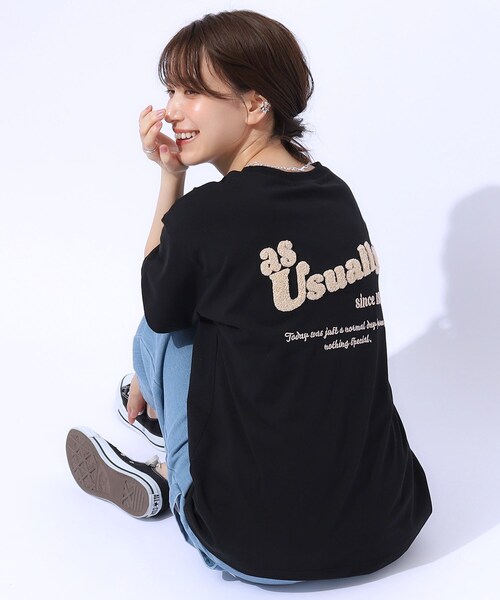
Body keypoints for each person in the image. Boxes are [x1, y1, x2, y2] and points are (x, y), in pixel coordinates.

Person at [66, 9, 432, 585]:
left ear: (256, 104)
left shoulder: (205, 215)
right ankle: (163, 415)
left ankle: (166, 473)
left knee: (163, 329)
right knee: (238, 314)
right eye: (170, 90)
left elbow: (158, 305)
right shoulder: (338, 195)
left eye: (192, 91)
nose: (171, 110)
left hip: (250, 548)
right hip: (390, 527)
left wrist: (170, 177)